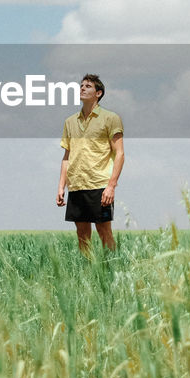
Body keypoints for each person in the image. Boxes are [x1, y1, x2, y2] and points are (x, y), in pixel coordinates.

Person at [56, 73, 124, 253]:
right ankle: (88, 273)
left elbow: (120, 153)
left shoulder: (110, 118)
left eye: (88, 86)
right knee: (82, 233)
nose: (82, 88)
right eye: (81, 85)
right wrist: (61, 186)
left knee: (103, 230)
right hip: (77, 185)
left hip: (99, 184)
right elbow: (67, 156)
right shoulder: (70, 122)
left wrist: (111, 186)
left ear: (98, 93)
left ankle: (112, 269)